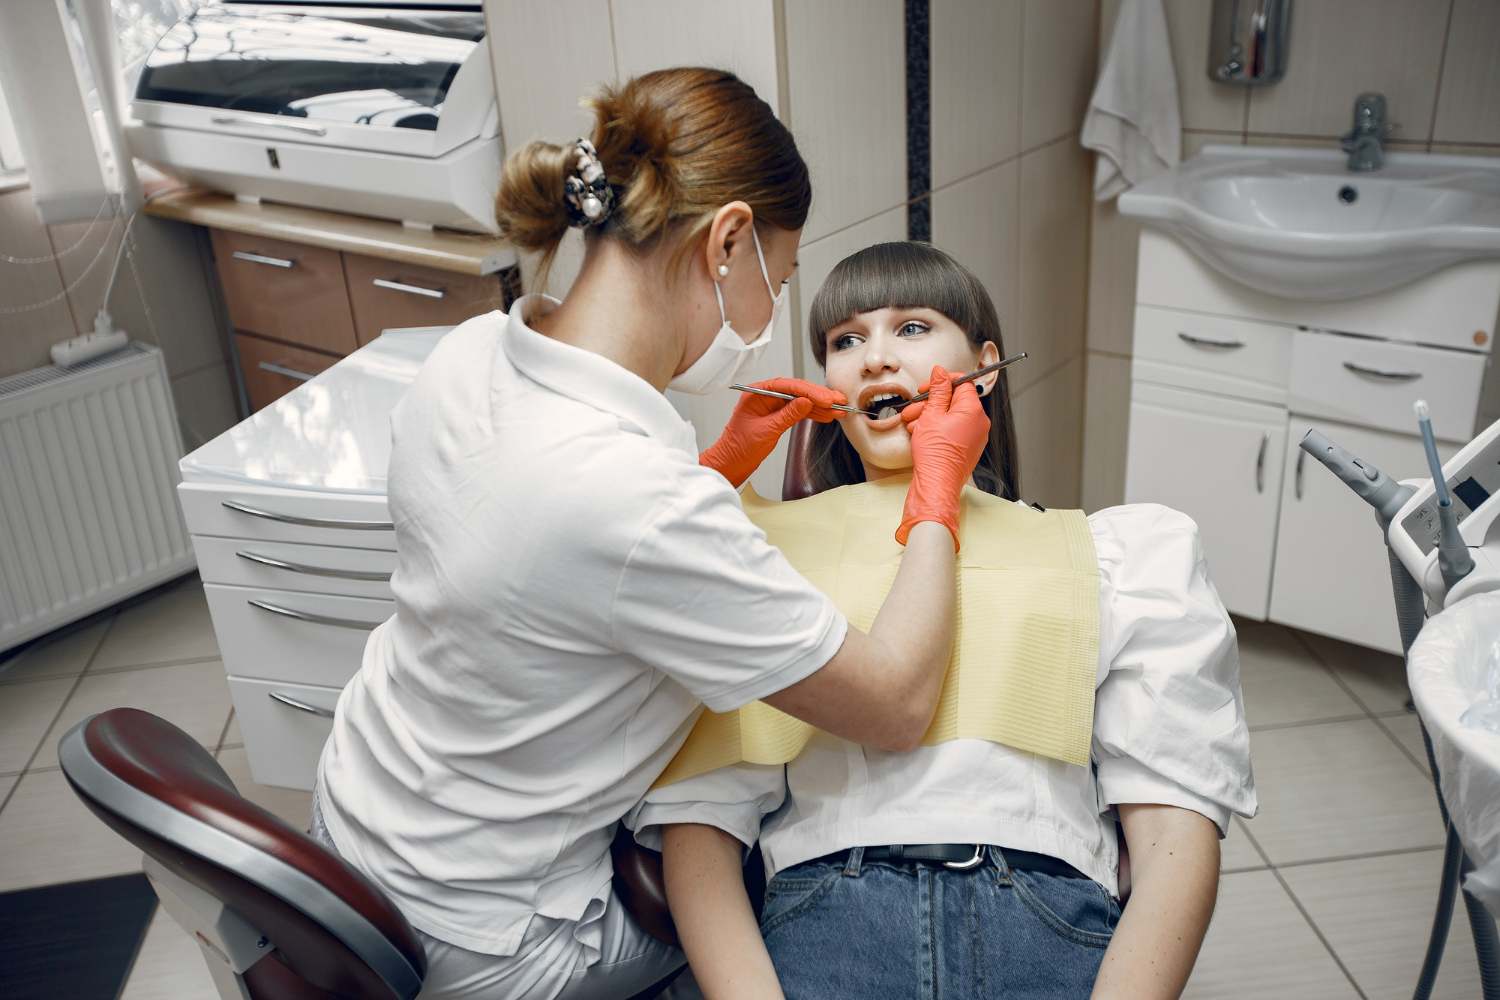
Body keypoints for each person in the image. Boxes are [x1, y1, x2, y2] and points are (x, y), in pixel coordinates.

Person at [309, 71, 991, 999]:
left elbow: (556, 561)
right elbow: (897, 704)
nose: (777, 316)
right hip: (486, 936)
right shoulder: (641, 501)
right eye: (781, 281)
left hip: (352, 825)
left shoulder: (465, 355)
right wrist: (940, 495)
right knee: (773, 912)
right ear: (730, 241)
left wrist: (711, 467)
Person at [631, 242, 1258, 999]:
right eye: (845, 342)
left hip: (1044, 917)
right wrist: (709, 489)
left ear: (985, 368)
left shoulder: (1117, 555)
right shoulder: (766, 559)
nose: (874, 360)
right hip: (831, 918)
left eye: (913, 328)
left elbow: (1173, 837)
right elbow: (702, 827)